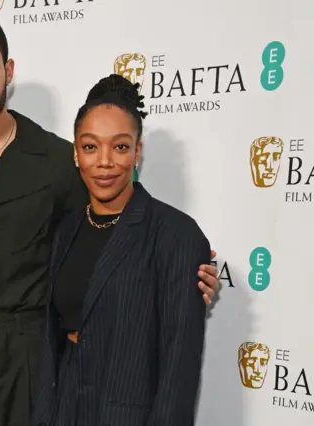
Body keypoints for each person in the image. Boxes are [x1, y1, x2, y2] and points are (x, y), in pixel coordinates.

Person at [0, 17, 220, 426]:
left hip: (32, 362)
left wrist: (185, 276)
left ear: (8, 71)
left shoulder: (60, 161)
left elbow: (107, 237)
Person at [32, 74, 210, 426]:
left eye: (120, 146)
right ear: (75, 152)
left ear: (137, 152)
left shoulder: (176, 234)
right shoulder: (64, 229)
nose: (105, 162)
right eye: (90, 146)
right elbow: (51, 339)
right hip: (64, 408)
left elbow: (179, 367)